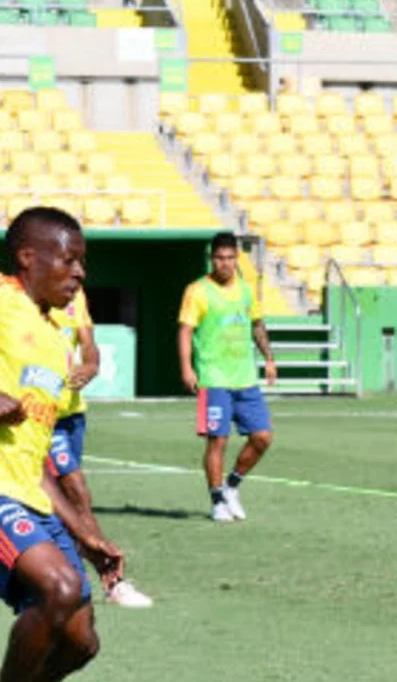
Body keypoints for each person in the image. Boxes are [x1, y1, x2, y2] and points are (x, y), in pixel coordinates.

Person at [0, 208, 127, 682]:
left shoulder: (54, 339)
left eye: (83, 262)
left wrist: (84, 532)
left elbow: (36, 455)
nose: (78, 272)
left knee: (80, 643)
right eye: (68, 258)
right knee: (58, 587)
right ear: (28, 257)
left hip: (28, 493)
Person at [47, 285, 153, 607]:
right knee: (77, 492)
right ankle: (113, 579)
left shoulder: (74, 295)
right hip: (40, 415)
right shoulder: (14, 299)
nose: (77, 270)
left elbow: (89, 345)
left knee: (62, 500)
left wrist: (91, 365)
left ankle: (60, 572)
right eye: (69, 260)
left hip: (72, 413)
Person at [177, 233, 277, 523]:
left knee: (262, 437)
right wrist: (187, 368)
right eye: (219, 258)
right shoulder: (197, 291)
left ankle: (231, 487)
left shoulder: (246, 291)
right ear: (212, 259)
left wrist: (269, 358)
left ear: (237, 258)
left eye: (230, 258)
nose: (225, 263)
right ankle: (217, 501)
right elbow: (185, 331)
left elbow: (257, 325)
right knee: (217, 441)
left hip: (245, 377)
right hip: (213, 377)